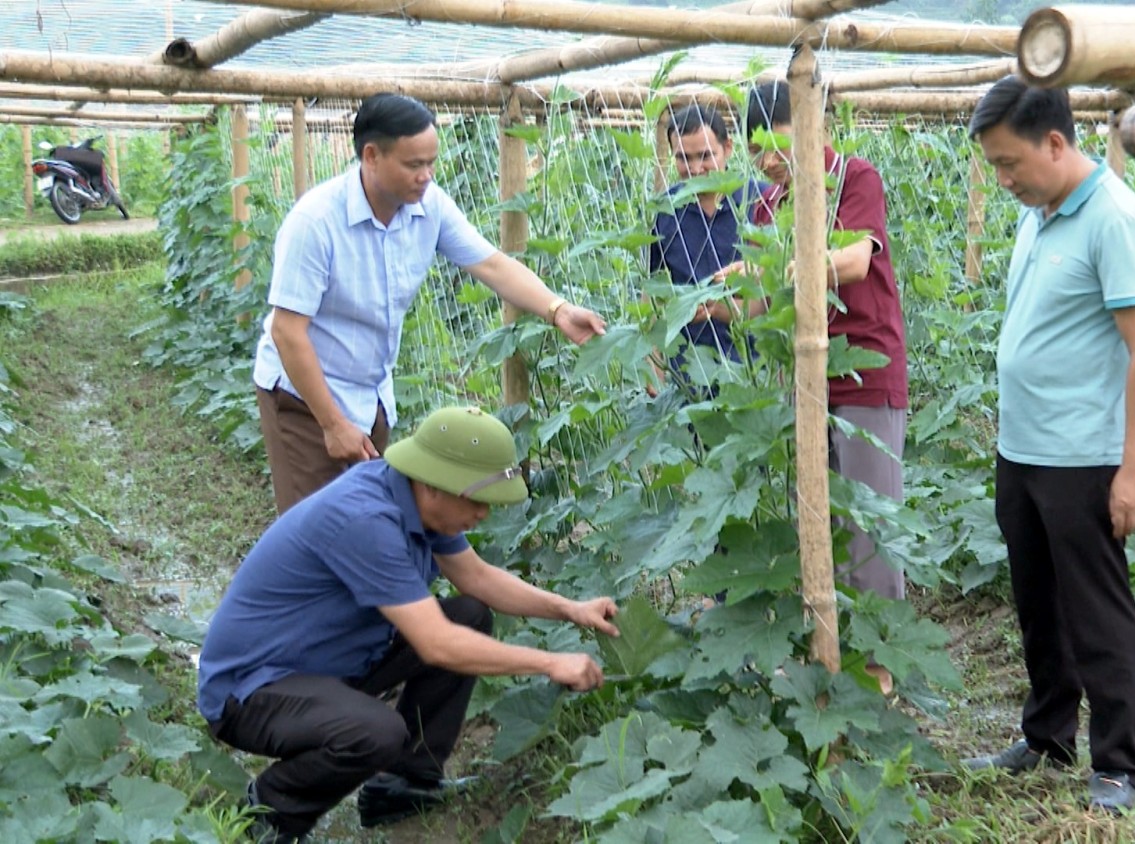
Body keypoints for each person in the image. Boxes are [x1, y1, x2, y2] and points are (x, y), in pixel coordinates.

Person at [197, 405, 620, 842]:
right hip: (250, 691)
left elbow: (476, 577)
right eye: (477, 501)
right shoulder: (364, 520)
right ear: (436, 484)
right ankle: (269, 814)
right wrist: (550, 662)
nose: (484, 515)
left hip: (323, 667)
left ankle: (405, 785)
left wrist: (572, 609)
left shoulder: (414, 499)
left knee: (470, 616)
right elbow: (436, 644)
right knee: (377, 732)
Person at [961, 76, 1135, 814]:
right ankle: (1048, 737)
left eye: (1011, 163)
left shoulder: (1114, 217)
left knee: (1095, 609)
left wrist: (1133, 469)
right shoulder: (1039, 213)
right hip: (1023, 448)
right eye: (995, 168)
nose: (1004, 180)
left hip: (1084, 455)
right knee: (1037, 603)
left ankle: (1118, 765)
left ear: (1056, 142)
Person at [253, 92, 606, 514]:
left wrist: (558, 309)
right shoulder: (315, 222)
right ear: (371, 156)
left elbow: (492, 265)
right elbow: (287, 332)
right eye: (413, 164)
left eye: (431, 162)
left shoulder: (429, 205)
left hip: (370, 395)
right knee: (311, 529)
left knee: (363, 521)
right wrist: (331, 424)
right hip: (304, 399)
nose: (426, 175)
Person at [738, 80, 910, 693]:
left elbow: (857, 261)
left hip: (863, 373)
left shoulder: (853, 179)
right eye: (756, 150)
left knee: (867, 526)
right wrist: (734, 292)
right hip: (803, 380)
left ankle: (881, 675)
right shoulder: (766, 206)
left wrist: (790, 263)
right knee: (816, 524)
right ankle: (829, 666)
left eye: (775, 143)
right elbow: (760, 306)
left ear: (811, 128)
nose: (767, 161)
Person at [647, 103, 766, 393]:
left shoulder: (762, 200)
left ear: (728, 148)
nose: (695, 169)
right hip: (687, 376)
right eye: (683, 158)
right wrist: (653, 370)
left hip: (755, 373)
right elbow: (653, 296)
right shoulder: (665, 210)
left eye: (705, 156)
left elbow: (781, 293)